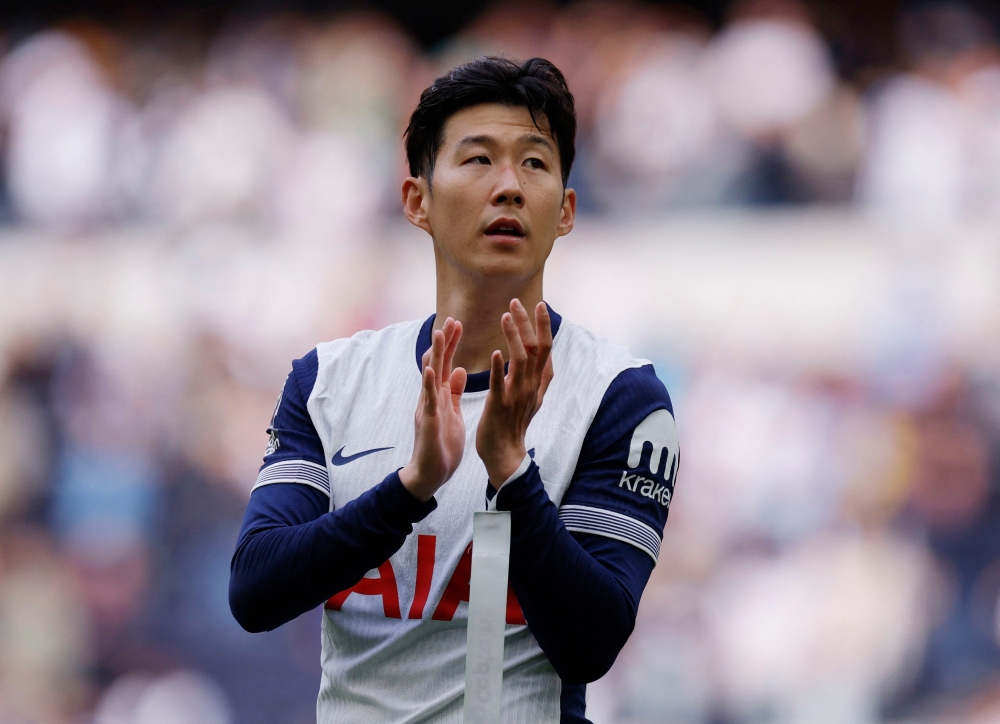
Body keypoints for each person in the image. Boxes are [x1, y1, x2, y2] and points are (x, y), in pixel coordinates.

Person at [229, 56, 678, 724]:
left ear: (566, 211)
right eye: (477, 160)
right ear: (417, 201)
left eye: (534, 163)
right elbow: (255, 591)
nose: (509, 187)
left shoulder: (620, 397)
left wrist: (510, 470)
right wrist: (409, 489)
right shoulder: (328, 380)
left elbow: (591, 642)